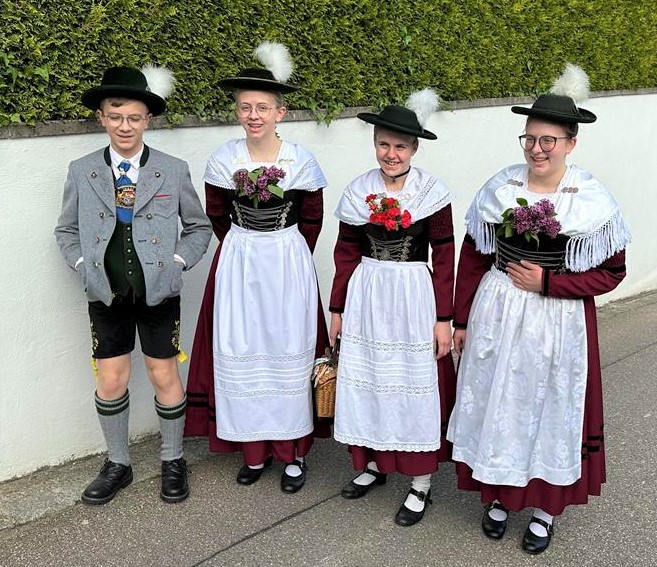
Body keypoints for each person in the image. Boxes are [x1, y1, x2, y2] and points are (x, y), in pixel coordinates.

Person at [446, 65, 631, 553]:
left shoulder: (591, 199)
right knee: (500, 401)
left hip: (557, 320)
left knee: (548, 406)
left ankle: (545, 510)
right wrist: (461, 318)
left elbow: (612, 272)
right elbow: (474, 256)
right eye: (529, 139)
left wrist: (549, 282)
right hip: (497, 313)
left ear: (571, 143)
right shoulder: (501, 187)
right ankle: (500, 497)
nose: (537, 149)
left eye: (549, 140)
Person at [54, 65, 213, 505]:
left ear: (148, 120)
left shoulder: (171, 169)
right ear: (102, 118)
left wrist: (177, 263)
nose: (125, 126)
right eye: (115, 116)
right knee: (111, 378)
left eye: (134, 118)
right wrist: (84, 265)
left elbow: (199, 227)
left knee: (164, 372)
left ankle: (173, 459)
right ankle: (118, 463)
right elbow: (66, 230)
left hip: (158, 292)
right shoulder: (82, 170)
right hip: (106, 292)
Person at [183, 42, 328, 494]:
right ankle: (253, 451)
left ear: (280, 112)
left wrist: (285, 253)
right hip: (240, 261)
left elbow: (312, 219)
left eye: (263, 107)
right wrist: (246, 247)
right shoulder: (224, 159)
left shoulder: (300, 160)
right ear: (237, 111)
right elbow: (216, 214)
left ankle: (292, 453)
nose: (254, 115)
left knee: (288, 347)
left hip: (286, 261)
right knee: (242, 346)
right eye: (246, 107)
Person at [329, 90, 456, 527]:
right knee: (372, 380)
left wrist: (444, 319)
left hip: (413, 296)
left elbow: (445, 259)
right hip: (367, 294)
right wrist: (337, 309)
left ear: (414, 148)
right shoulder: (358, 191)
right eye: (383, 144)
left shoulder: (432, 193)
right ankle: (373, 464)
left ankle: (420, 483)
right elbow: (345, 253)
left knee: (409, 381)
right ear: (374, 144)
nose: (391, 154)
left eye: (400, 146)